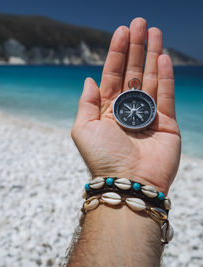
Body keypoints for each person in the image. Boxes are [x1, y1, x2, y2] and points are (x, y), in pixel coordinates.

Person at [67, 17, 181, 266]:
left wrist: (123, 180)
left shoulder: (133, 107)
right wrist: (134, 180)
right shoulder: (137, 108)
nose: (131, 115)